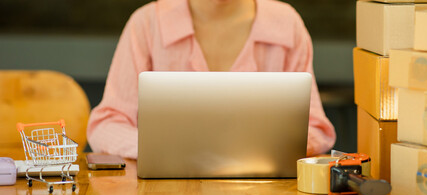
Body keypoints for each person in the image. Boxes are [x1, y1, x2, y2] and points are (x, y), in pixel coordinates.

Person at [87, 0, 336, 159]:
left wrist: (260, 149)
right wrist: (162, 150)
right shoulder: (146, 23)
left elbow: (315, 127)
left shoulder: (286, 24)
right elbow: (106, 124)